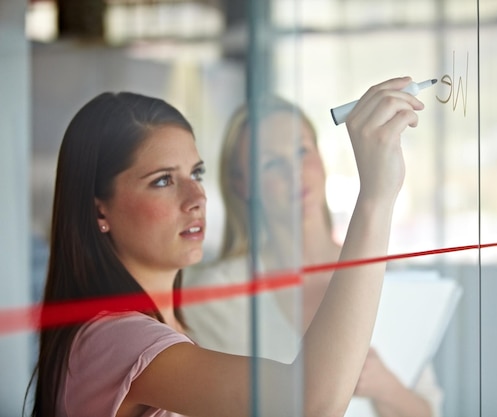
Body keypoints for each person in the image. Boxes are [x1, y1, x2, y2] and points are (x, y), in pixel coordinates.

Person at [25, 76, 425, 417]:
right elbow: (309, 403)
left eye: (195, 173)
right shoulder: (117, 340)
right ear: (100, 211)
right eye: (163, 180)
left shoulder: (166, 331)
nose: (195, 196)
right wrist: (375, 196)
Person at [182, 95, 443, 417]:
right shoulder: (212, 296)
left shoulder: (390, 278)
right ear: (241, 183)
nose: (295, 173)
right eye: (271, 163)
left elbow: (429, 411)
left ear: (321, 155)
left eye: (302, 152)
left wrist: (384, 386)